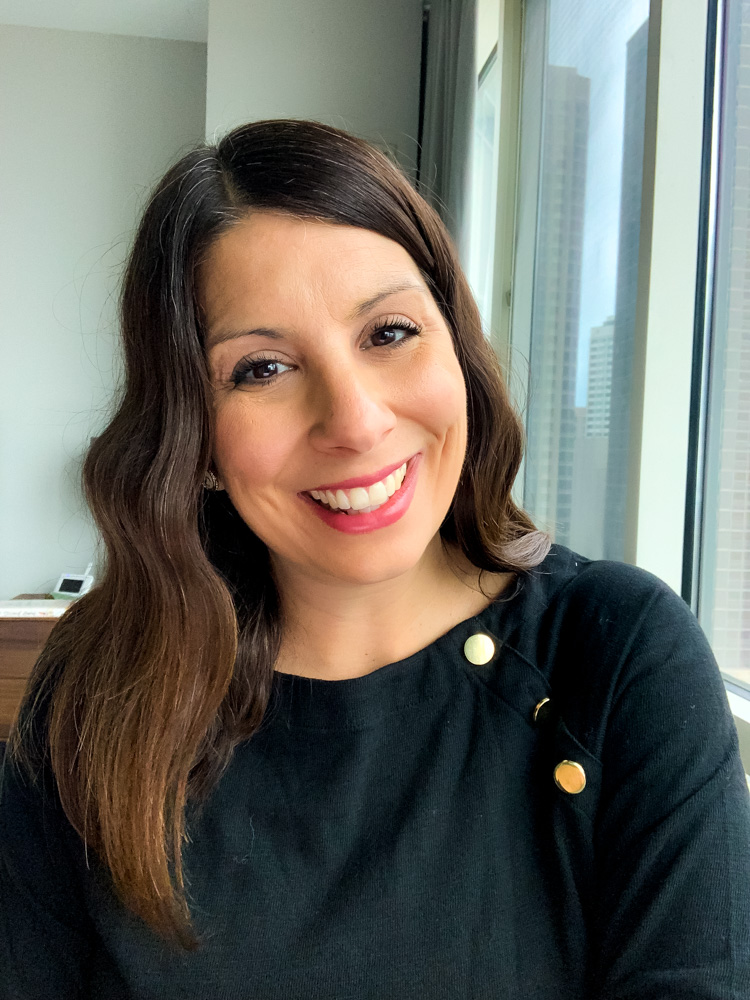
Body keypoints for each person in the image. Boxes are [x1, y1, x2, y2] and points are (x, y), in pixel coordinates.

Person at [1, 119, 749, 999]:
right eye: (263, 369)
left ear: (458, 350)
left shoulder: (621, 654)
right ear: (193, 439)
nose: (354, 421)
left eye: (389, 332)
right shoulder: (103, 683)